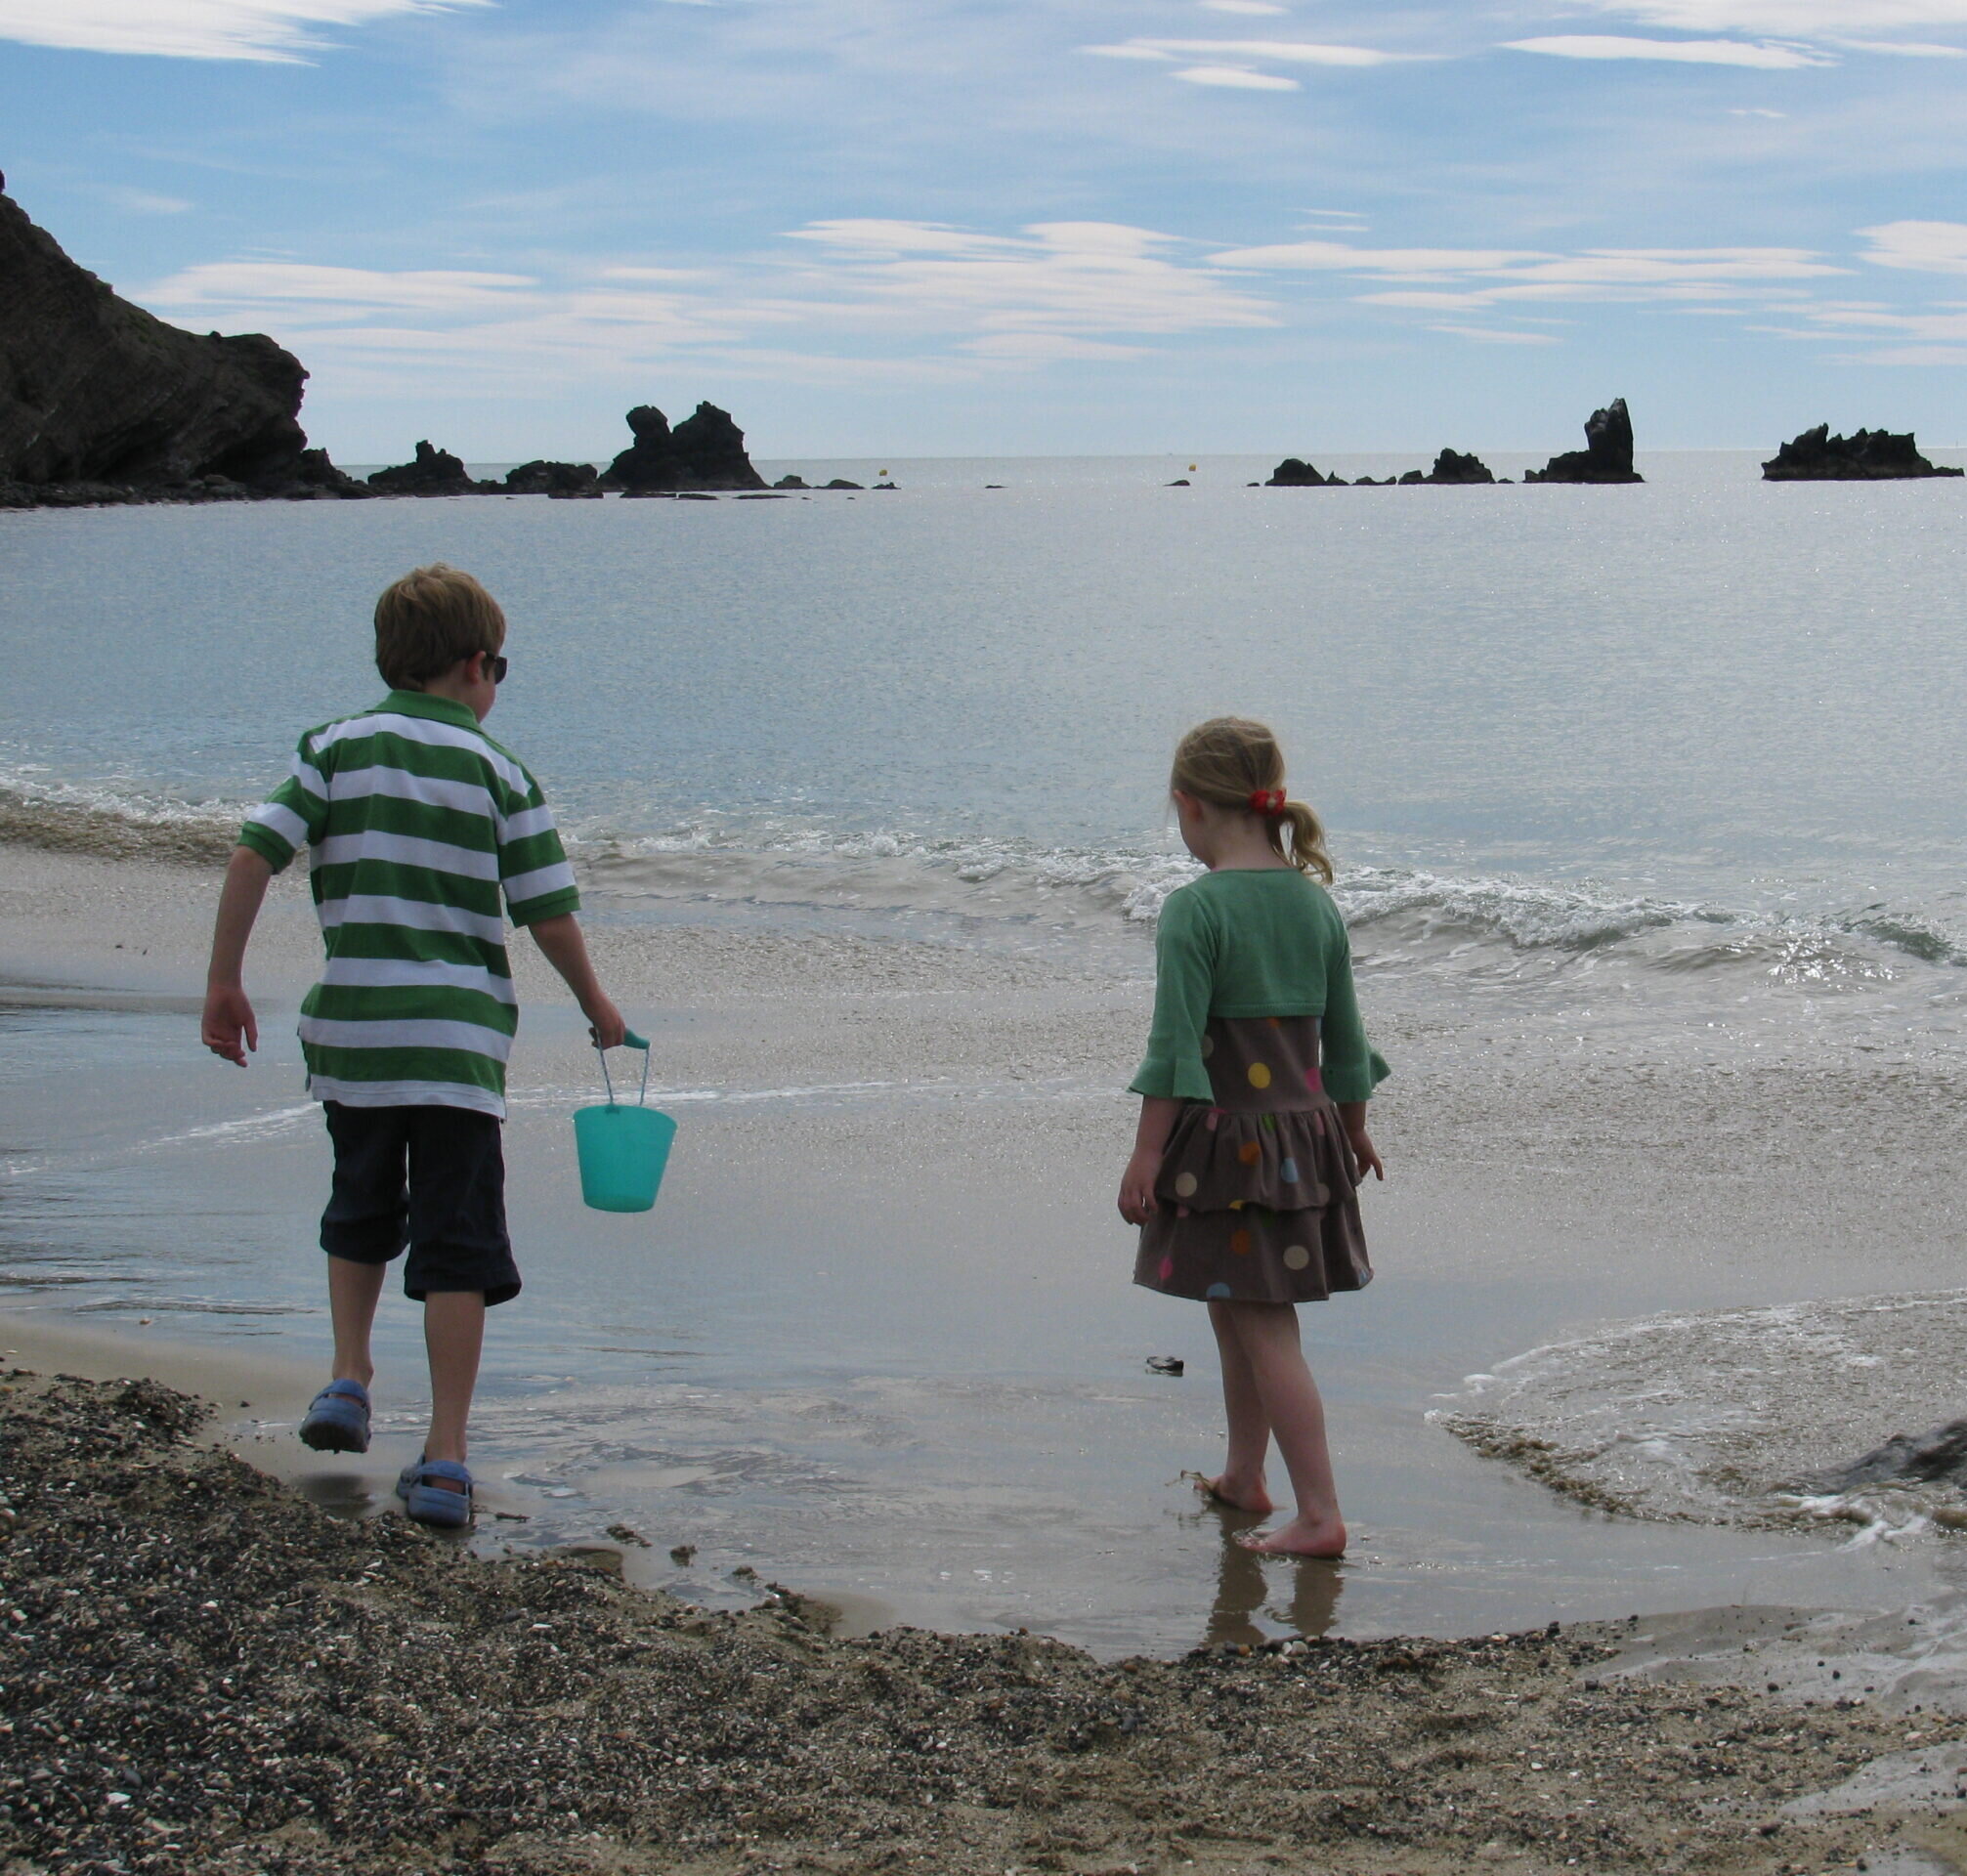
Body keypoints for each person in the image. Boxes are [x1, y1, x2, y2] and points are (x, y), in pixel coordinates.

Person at [199, 563, 625, 1527]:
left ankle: (349, 1374)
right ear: (476, 666)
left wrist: (224, 980)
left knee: (359, 1203)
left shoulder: (335, 748)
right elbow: (547, 914)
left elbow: (251, 852)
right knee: (458, 1245)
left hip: (356, 1036)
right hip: (457, 1052)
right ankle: (444, 1454)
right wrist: (597, 1003)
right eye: (499, 670)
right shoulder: (502, 773)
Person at [1118, 717, 1387, 1556]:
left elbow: (1173, 1050)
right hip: (1304, 1145)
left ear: (1188, 807)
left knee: (1266, 1329)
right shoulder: (1314, 905)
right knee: (1234, 1311)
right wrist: (1354, 1132)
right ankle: (1244, 1477)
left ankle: (1319, 1514)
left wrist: (1145, 1155)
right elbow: (1344, 1043)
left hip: (1230, 1151)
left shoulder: (1195, 911)